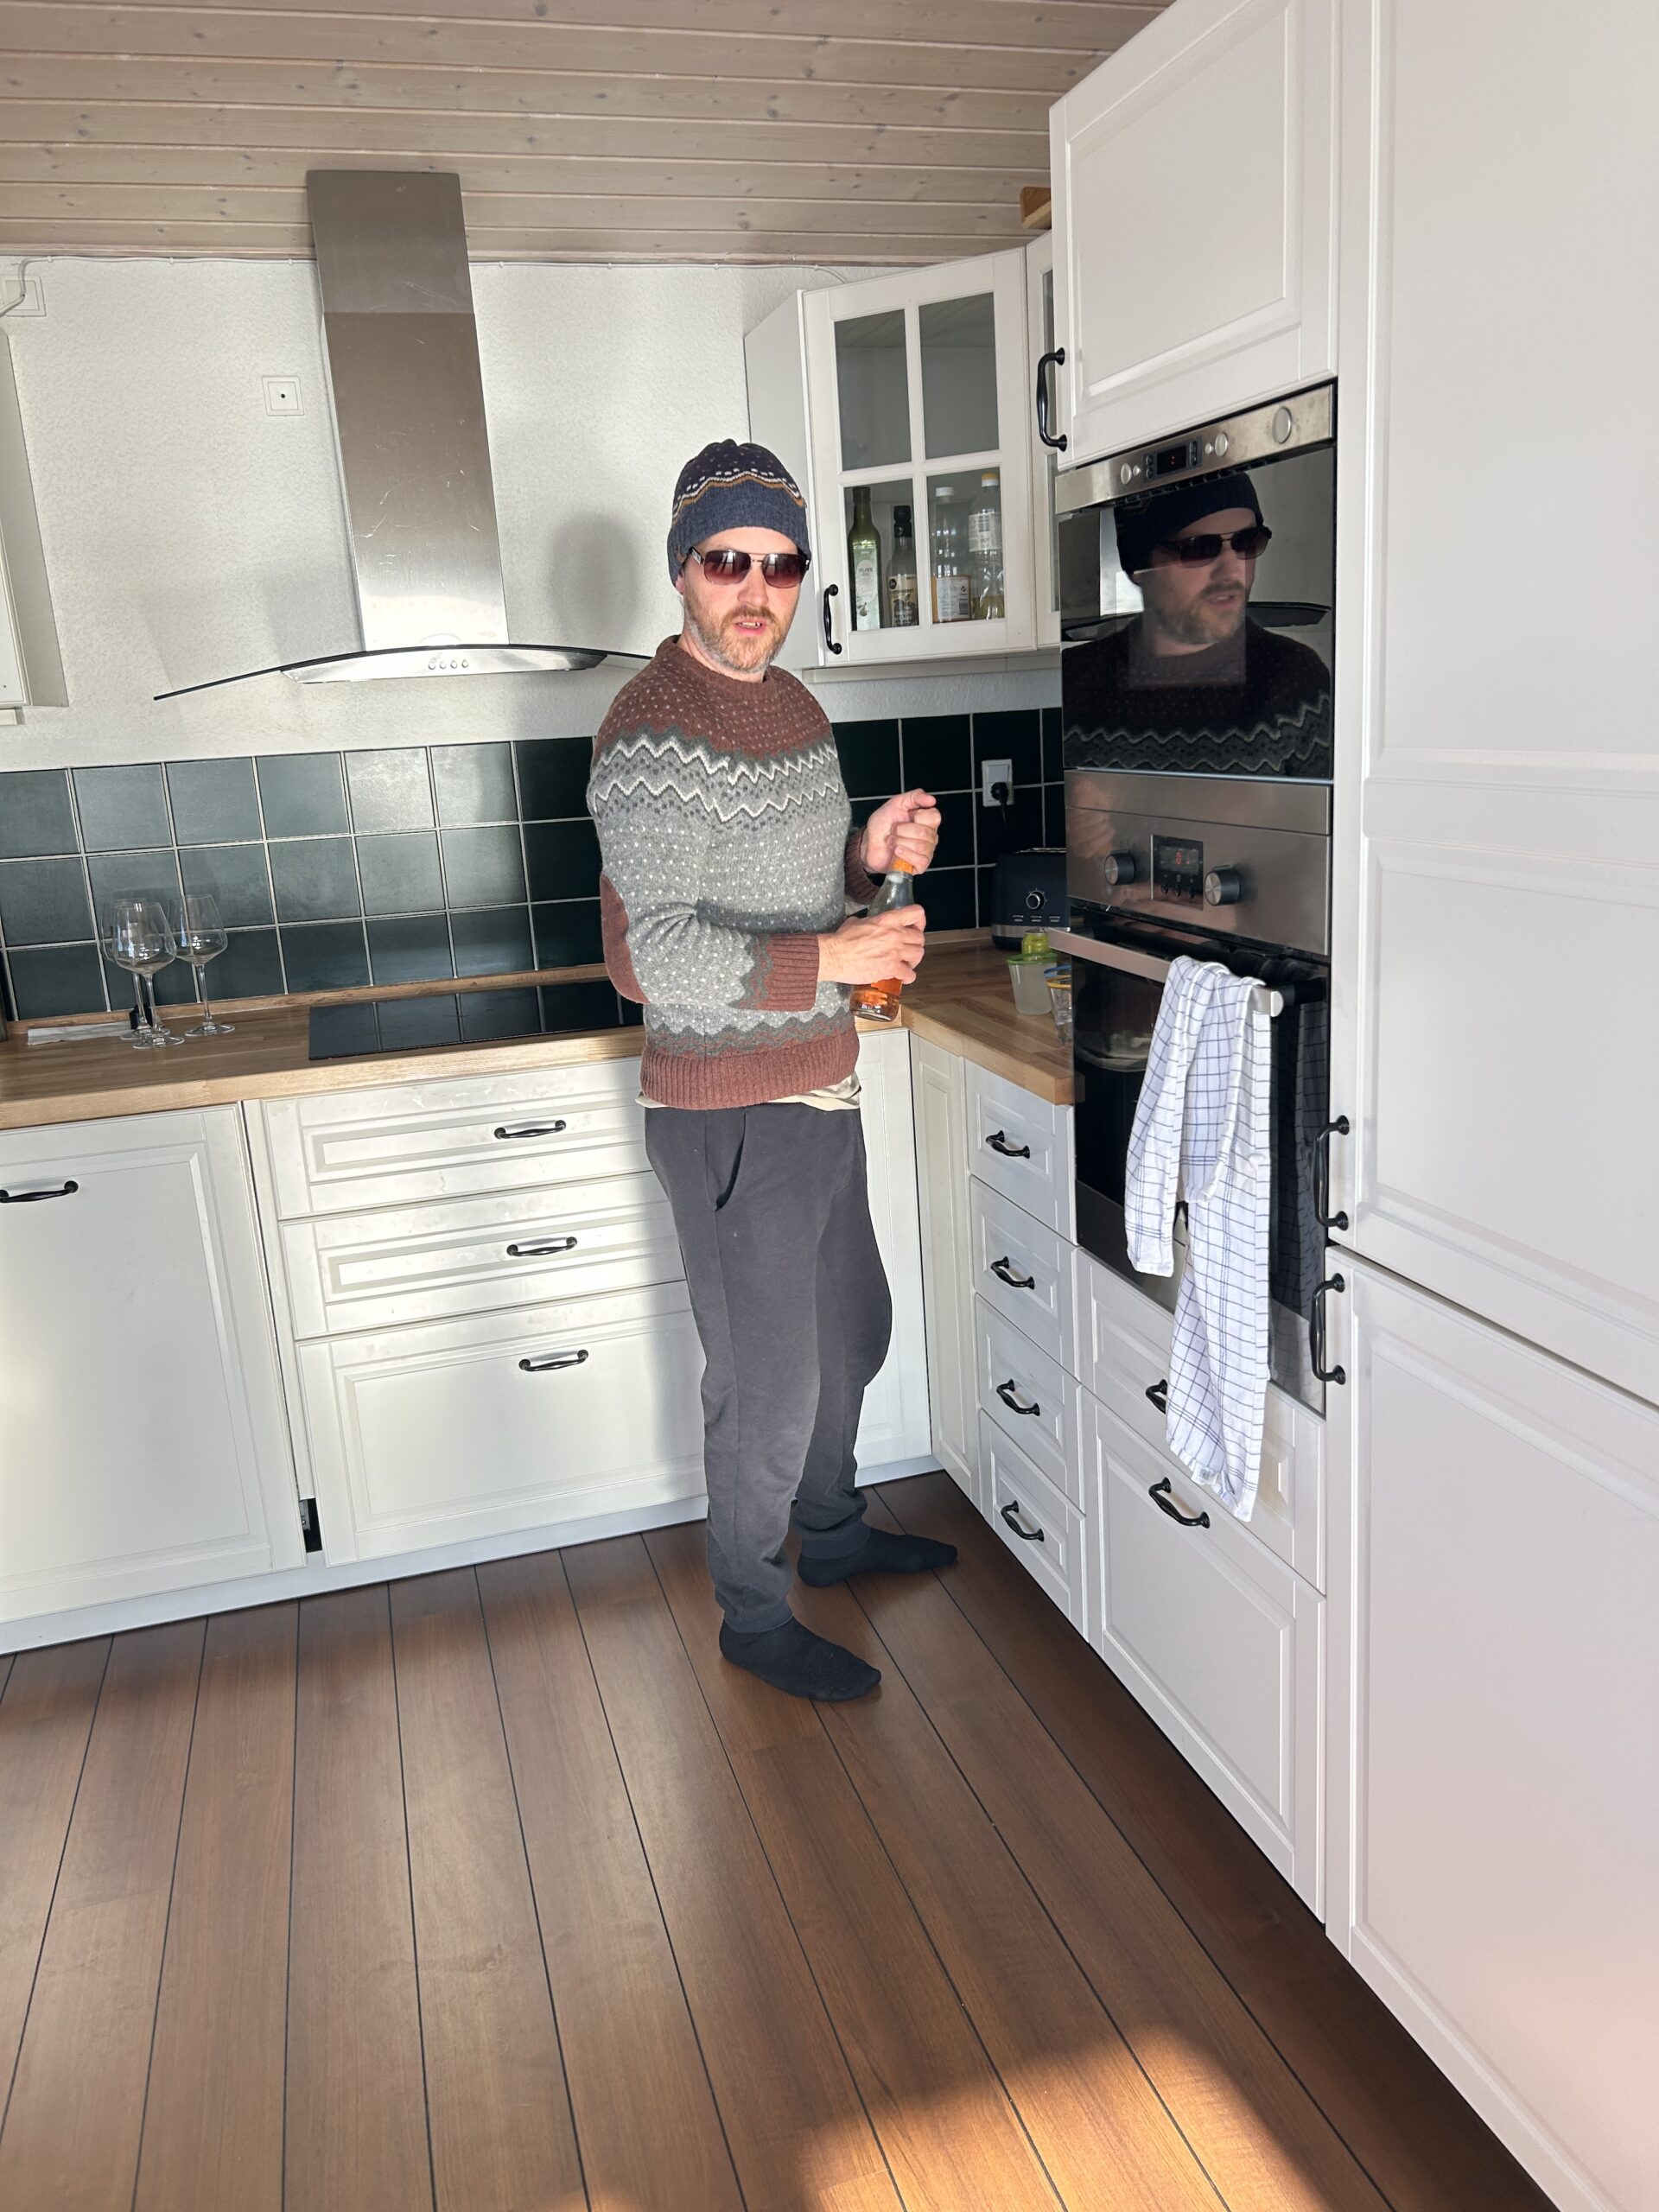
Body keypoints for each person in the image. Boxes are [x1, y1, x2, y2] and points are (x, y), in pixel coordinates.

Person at [588, 440, 950, 1702]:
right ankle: (752, 1612)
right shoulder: (650, 732)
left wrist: (864, 854)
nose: (756, 590)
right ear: (682, 570)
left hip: (820, 1081)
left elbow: (793, 886)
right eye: (727, 561)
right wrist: (836, 955)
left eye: (781, 564)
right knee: (767, 1391)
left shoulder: (794, 706)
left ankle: (834, 1536)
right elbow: (650, 959)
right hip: (730, 1111)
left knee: (851, 1338)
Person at [1068, 470, 1332, 779]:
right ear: (1139, 566)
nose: (1232, 571)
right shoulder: (1076, 680)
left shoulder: (1295, 680)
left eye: (1246, 541)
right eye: (1199, 548)